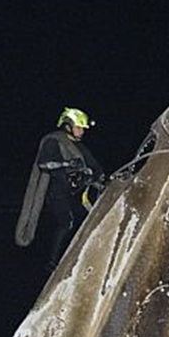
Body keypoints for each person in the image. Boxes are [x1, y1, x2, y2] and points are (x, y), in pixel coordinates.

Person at [15, 107, 105, 271]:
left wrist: (97, 177)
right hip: (56, 192)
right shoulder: (54, 140)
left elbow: (95, 167)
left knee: (89, 219)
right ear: (67, 126)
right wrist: (67, 164)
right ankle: (52, 262)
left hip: (76, 193)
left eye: (83, 128)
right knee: (66, 223)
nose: (82, 131)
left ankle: (83, 255)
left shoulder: (79, 147)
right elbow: (44, 163)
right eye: (79, 127)